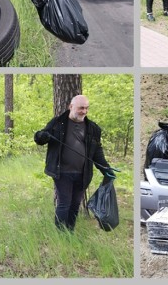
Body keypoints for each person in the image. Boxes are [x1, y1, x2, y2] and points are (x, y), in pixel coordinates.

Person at [34, 95, 115, 231]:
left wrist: (106, 169)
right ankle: (60, 234)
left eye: (86, 108)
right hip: (62, 172)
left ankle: (70, 232)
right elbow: (40, 138)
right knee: (64, 203)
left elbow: (97, 152)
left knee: (75, 204)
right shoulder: (58, 122)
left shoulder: (93, 128)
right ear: (71, 107)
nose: (84, 111)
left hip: (83, 173)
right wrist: (41, 136)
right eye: (81, 108)